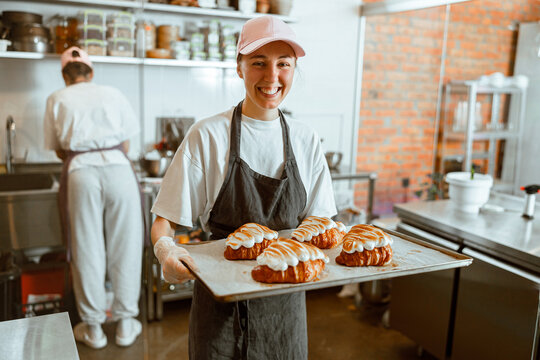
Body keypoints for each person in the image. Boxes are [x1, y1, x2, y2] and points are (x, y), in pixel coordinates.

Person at [150, 15, 337, 359]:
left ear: (294, 69)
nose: (272, 77)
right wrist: (167, 252)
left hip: (285, 310)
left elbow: (321, 225)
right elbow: (164, 221)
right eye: (258, 63)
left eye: (284, 64)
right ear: (239, 68)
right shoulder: (206, 136)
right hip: (220, 308)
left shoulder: (305, 139)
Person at [43, 47, 144, 349]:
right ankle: (126, 324)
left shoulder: (57, 98)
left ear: (64, 75)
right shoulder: (112, 93)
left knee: (87, 247)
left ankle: (94, 329)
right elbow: (125, 143)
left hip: (81, 172)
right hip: (118, 169)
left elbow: (59, 150)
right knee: (125, 244)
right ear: (91, 72)